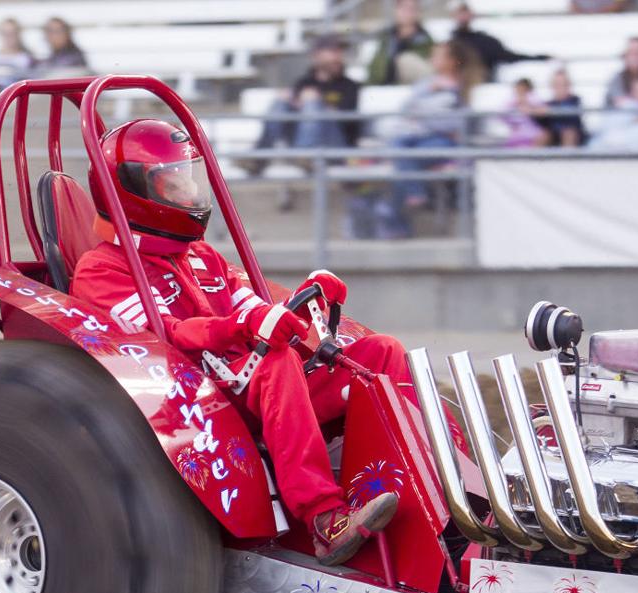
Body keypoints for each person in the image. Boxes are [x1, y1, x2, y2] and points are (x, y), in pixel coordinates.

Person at [70, 119, 404, 565]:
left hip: (249, 382)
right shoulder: (101, 271)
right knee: (279, 363)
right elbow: (163, 336)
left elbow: (251, 308)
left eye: (190, 177)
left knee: (381, 351)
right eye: (173, 183)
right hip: (193, 405)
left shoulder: (202, 256)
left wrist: (305, 305)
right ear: (133, 192)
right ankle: (325, 518)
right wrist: (246, 330)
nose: (189, 193)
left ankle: (413, 484)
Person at [374, 41, 473, 238]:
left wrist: (425, 119)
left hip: (445, 143)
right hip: (416, 139)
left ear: (452, 61)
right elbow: (405, 111)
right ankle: (415, 194)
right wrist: (428, 93)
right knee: (397, 147)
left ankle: (394, 214)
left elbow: (457, 126)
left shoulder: (463, 87)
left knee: (403, 159)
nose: (432, 59)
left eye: (438, 55)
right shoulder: (426, 84)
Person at [253, 34, 361, 159]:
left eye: (339, 51)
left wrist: (317, 103)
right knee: (280, 102)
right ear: (316, 55)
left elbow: (346, 121)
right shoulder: (303, 83)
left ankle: (304, 156)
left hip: (336, 145)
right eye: (333, 51)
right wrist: (292, 101)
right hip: (300, 138)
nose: (338, 56)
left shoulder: (349, 86)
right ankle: (259, 156)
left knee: (311, 104)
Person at [448, 1, 549, 82]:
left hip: (482, 85)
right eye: (460, 13)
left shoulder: (486, 42)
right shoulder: (449, 45)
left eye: (465, 12)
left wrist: (540, 58)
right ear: (453, 15)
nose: (463, 16)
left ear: (471, 15)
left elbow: (509, 57)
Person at [367, 0, 434, 85]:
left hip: (413, 87)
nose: (407, 13)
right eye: (403, 8)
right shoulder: (387, 37)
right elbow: (375, 66)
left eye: (412, 8)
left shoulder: (425, 39)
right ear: (396, 10)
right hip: (386, 86)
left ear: (418, 12)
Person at [589, 75, 638, 150]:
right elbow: (606, 126)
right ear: (632, 92)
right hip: (612, 143)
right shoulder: (624, 105)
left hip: (636, 148)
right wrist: (637, 119)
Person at [533, 67, 586, 147]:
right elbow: (542, 123)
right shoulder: (549, 103)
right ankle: (533, 158)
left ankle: (568, 158)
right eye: (557, 84)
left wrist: (549, 111)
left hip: (572, 135)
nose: (560, 88)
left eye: (563, 84)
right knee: (543, 135)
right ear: (552, 86)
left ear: (569, 85)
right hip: (553, 134)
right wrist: (537, 114)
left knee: (569, 133)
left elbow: (571, 116)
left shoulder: (575, 100)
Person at [502, 78, 548, 147]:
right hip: (516, 136)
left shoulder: (533, 99)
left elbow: (544, 111)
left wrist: (530, 108)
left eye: (523, 89)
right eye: (518, 89)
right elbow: (502, 115)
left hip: (533, 135)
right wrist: (515, 104)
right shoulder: (512, 101)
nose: (520, 91)